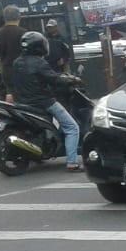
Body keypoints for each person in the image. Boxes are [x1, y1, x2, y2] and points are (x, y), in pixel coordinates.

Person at [10, 31, 84, 172]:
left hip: (22, 103)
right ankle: (72, 162)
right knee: (72, 127)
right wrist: (71, 79)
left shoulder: (16, 62)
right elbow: (54, 79)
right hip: (44, 102)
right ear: (39, 46)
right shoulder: (39, 62)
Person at [0, 4, 25, 98]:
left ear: (4, 18)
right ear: (19, 17)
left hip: (8, 73)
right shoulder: (24, 33)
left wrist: (3, 75)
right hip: (24, 74)